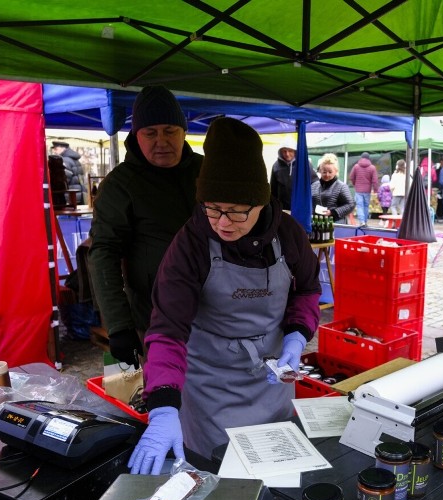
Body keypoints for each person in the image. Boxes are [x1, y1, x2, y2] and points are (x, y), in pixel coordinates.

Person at [128, 117, 322, 474]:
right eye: (213, 208)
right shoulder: (190, 245)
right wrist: (164, 405)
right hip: (210, 388)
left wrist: (297, 336)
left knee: (273, 478)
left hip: (272, 381)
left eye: (236, 211)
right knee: (214, 478)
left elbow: (308, 290)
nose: (223, 222)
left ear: (261, 202)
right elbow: (167, 331)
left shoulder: (290, 235)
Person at [88, 86, 203, 368]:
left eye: (169, 130)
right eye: (150, 132)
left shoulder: (207, 171)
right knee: (170, 398)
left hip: (217, 312)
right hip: (157, 319)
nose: (161, 141)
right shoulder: (120, 184)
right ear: (136, 135)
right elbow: (104, 252)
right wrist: (118, 325)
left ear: (184, 131)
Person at [269, 143, 317, 212]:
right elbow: (273, 188)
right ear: (280, 152)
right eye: (284, 151)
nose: (287, 154)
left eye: (290, 151)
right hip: (282, 206)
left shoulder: (304, 164)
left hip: (301, 206)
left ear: (295, 151)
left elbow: (314, 183)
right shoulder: (276, 166)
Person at [311, 153, 355, 222]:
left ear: (336, 171)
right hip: (317, 223)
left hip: (336, 223)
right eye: (324, 172)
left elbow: (351, 205)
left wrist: (333, 212)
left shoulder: (341, 186)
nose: (327, 174)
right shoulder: (314, 185)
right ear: (320, 171)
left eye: (330, 172)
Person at [348, 151, 378, 226]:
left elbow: (351, 177)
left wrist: (355, 184)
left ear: (361, 158)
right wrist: (375, 189)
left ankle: (362, 221)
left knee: (359, 205)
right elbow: (375, 180)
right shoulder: (372, 168)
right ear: (369, 158)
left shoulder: (356, 166)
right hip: (367, 190)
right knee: (366, 206)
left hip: (358, 190)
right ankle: (365, 221)